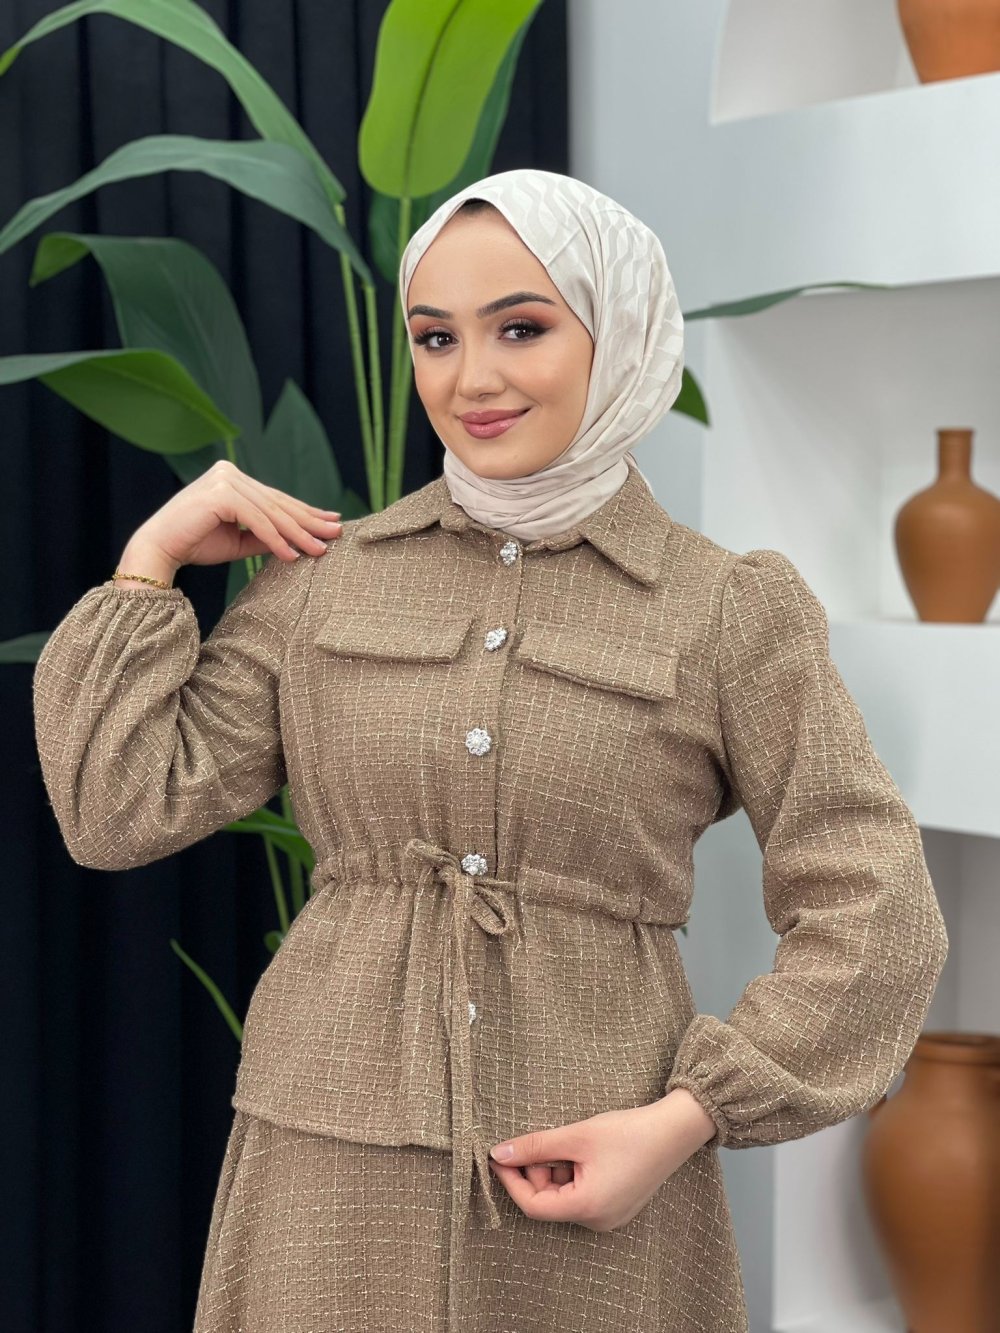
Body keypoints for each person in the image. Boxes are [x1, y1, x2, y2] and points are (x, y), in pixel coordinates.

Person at [32, 168, 949, 1333]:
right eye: (435, 337)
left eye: (521, 328)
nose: (470, 379)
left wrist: (685, 1117)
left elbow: (879, 907)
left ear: (614, 330)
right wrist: (147, 565)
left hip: (595, 1175)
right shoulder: (324, 583)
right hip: (326, 1175)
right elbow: (116, 809)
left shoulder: (725, 609)